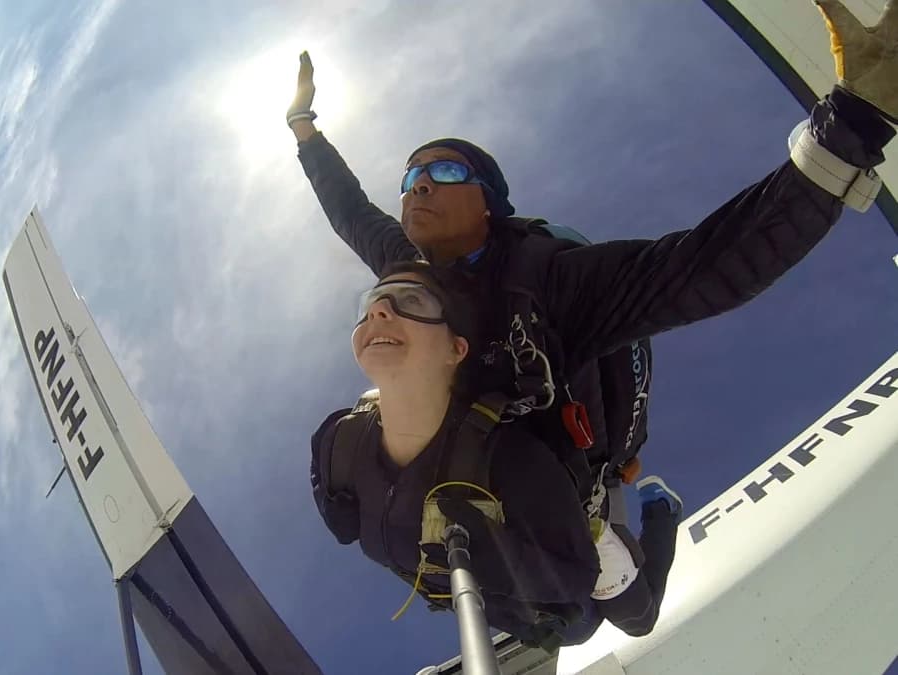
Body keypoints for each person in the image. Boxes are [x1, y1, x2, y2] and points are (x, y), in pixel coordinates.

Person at [301, 0, 895, 642]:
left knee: (634, 619)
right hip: (484, 462)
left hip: (570, 476)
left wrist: (854, 125)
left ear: (490, 206)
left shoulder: (551, 280)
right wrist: (304, 128)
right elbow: (349, 209)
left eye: (445, 172)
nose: (418, 185)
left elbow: (708, 264)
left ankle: (659, 515)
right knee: (545, 612)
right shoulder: (405, 271)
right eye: (412, 174)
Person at [310, 261, 600, 647]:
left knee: (633, 618)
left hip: (568, 614)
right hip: (482, 610)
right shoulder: (337, 445)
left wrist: (504, 561)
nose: (378, 311)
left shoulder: (511, 461)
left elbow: (580, 576)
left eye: (412, 300)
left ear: (456, 348)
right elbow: (326, 488)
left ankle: (658, 514)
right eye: (371, 305)